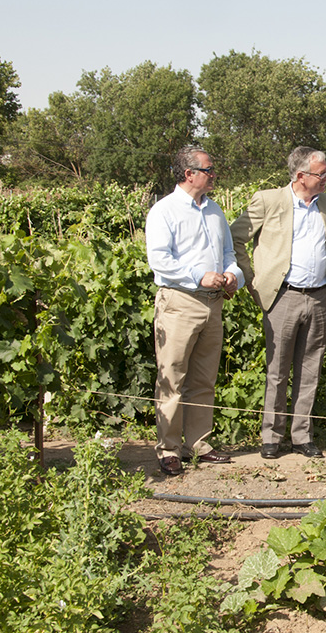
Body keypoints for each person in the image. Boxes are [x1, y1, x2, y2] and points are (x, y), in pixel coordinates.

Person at [230, 146, 326, 460]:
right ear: (300, 176)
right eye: (321, 174)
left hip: (319, 296)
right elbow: (235, 238)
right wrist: (252, 281)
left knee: (310, 368)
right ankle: (271, 437)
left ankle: (301, 436)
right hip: (283, 295)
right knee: (277, 370)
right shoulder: (269, 200)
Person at [146, 145, 244, 476]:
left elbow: (229, 253)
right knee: (172, 377)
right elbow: (159, 259)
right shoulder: (164, 211)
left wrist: (234, 276)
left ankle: (198, 443)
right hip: (179, 302)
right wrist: (197, 275)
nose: (214, 175)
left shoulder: (215, 211)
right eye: (209, 169)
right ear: (189, 174)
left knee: (204, 378)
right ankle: (169, 449)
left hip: (213, 303)